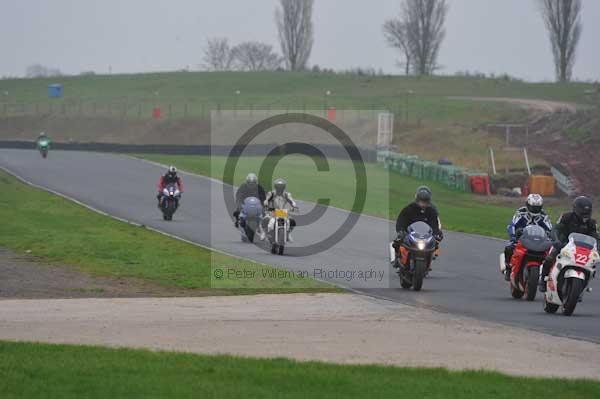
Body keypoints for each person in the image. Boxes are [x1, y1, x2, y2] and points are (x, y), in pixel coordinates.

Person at [539, 196, 599, 292]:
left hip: (583, 248)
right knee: (550, 258)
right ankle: (543, 280)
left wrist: (597, 248)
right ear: (576, 209)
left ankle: (582, 287)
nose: (585, 215)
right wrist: (556, 240)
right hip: (564, 245)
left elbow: (596, 236)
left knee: (592, 265)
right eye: (583, 212)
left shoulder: (592, 223)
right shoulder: (566, 217)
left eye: (587, 212)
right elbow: (556, 229)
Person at [503, 194, 552, 281]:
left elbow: (550, 229)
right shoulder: (521, 213)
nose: (535, 209)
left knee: (550, 254)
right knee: (509, 247)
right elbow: (512, 225)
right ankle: (508, 268)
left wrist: (550, 237)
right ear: (528, 205)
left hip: (538, 241)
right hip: (522, 239)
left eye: (537, 207)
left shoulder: (544, 216)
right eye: (533, 207)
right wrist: (514, 236)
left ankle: (546, 275)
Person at [393, 186, 443, 267]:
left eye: (425, 202)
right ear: (417, 200)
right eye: (421, 201)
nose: (423, 204)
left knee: (435, 243)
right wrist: (401, 230)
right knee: (397, 241)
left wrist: (436, 233)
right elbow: (401, 220)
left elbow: (434, 223)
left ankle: (429, 259)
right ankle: (397, 258)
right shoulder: (409, 209)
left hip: (424, 235)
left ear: (428, 201)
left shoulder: (432, 211)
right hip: (410, 233)